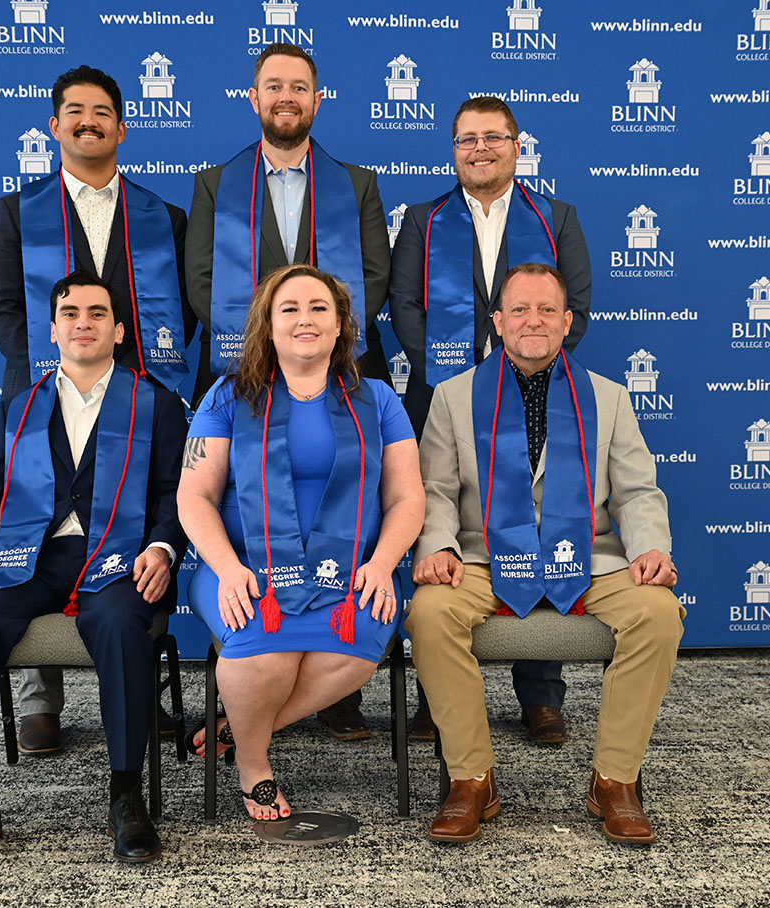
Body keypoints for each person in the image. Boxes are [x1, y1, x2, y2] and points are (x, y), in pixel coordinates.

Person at [0, 272, 188, 867]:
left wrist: (162, 550)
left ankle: (126, 794)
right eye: (70, 312)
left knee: (119, 622)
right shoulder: (18, 406)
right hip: (29, 556)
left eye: (97, 312)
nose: (83, 321)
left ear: (118, 329)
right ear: (52, 329)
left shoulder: (153, 402)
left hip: (120, 553)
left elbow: (175, 494)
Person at [405, 263, 684, 844]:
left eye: (547, 310)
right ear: (498, 320)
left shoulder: (608, 397)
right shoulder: (454, 397)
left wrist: (651, 547)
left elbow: (635, 490)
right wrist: (436, 547)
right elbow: (433, 490)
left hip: (589, 557)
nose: (534, 320)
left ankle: (615, 779)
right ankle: (471, 779)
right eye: (521, 310)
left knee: (658, 613)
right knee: (430, 612)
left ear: (567, 321)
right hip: (483, 558)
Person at [0, 65, 194, 754]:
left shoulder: (165, 216)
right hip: (50, 399)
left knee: (128, 542)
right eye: (74, 112)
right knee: (35, 531)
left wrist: (125, 385)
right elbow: (4, 308)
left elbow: (181, 312)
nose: (88, 122)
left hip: (136, 405)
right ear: (55, 125)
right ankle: (42, 695)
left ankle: (138, 691)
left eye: (101, 112)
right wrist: (65, 370)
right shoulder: (18, 210)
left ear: (121, 128)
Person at [185, 42, 394, 738]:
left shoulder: (357, 183)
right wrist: (267, 343)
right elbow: (202, 282)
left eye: (299, 88)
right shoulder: (217, 182)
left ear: (317, 99)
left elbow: (374, 275)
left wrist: (314, 336)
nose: (286, 98)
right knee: (256, 505)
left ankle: (327, 698)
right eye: (273, 86)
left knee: (341, 493)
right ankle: (260, 684)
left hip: (337, 372)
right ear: (254, 98)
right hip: (247, 370)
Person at [177, 264, 424, 820]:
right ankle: (254, 765)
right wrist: (228, 567)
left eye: (319, 308)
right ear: (268, 324)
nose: (304, 319)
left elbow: (407, 497)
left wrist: (384, 564)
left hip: (354, 569)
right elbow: (194, 496)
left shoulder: (378, 399)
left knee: (353, 648)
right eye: (289, 308)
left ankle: (235, 732)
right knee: (265, 651)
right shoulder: (228, 395)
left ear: (341, 327)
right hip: (242, 566)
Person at [389, 96, 592, 744]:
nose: (479, 148)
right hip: (445, 400)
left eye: (493, 138)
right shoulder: (424, 220)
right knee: (442, 534)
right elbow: (405, 307)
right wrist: (460, 382)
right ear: (453, 149)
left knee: (539, 525)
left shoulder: (555, 217)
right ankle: (435, 695)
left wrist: (522, 360)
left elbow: (576, 308)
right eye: (466, 139)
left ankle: (541, 694)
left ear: (516, 145)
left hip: (538, 397)